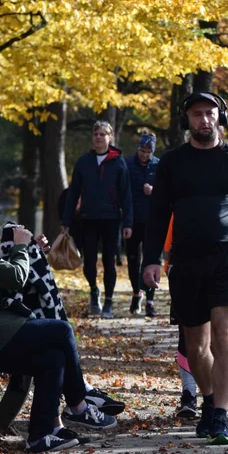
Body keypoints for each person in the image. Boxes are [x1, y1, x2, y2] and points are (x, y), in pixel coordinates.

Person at [0, 190, 118, 453]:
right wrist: (21, 248)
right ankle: (78, 405)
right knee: (60, 330)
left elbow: (2, 280)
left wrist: (28, 251)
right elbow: (15, 278)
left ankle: (41, 435)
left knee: (51, 357)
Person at [142, 92, 228, 446]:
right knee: (196, 346)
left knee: (225, 337)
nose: (204, 120)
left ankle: (221, 416)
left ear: (220, 117)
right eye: (197, 114)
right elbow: (158, 215)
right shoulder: (172, 163)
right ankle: (209, 401)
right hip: (185, 261)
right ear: (188, 121)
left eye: (210, 114)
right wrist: (151, 259)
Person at [62, 121, 134, 318]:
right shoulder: (83, 162)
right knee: (89, 262)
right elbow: (73, 192)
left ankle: (109, 302)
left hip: (112, 219)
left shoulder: (119, 162)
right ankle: (94, 290)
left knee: (109, 261)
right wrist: (66, 220)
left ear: (110, 138)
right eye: (96, 134)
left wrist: (128, 222)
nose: (99, 137)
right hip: (88, 218)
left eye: (103, 134)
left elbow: (126, 194)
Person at [126, 133, 160, 317]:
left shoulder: (158, 165)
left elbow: (166, 192)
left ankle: (150, 299)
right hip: (132, 220)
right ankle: (136, 291)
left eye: (148, 152)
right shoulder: (128, 164)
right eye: (142, 150)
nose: (144, 155)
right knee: (133, 259)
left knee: (150, 260)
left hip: (152, 220)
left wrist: (154, 191)